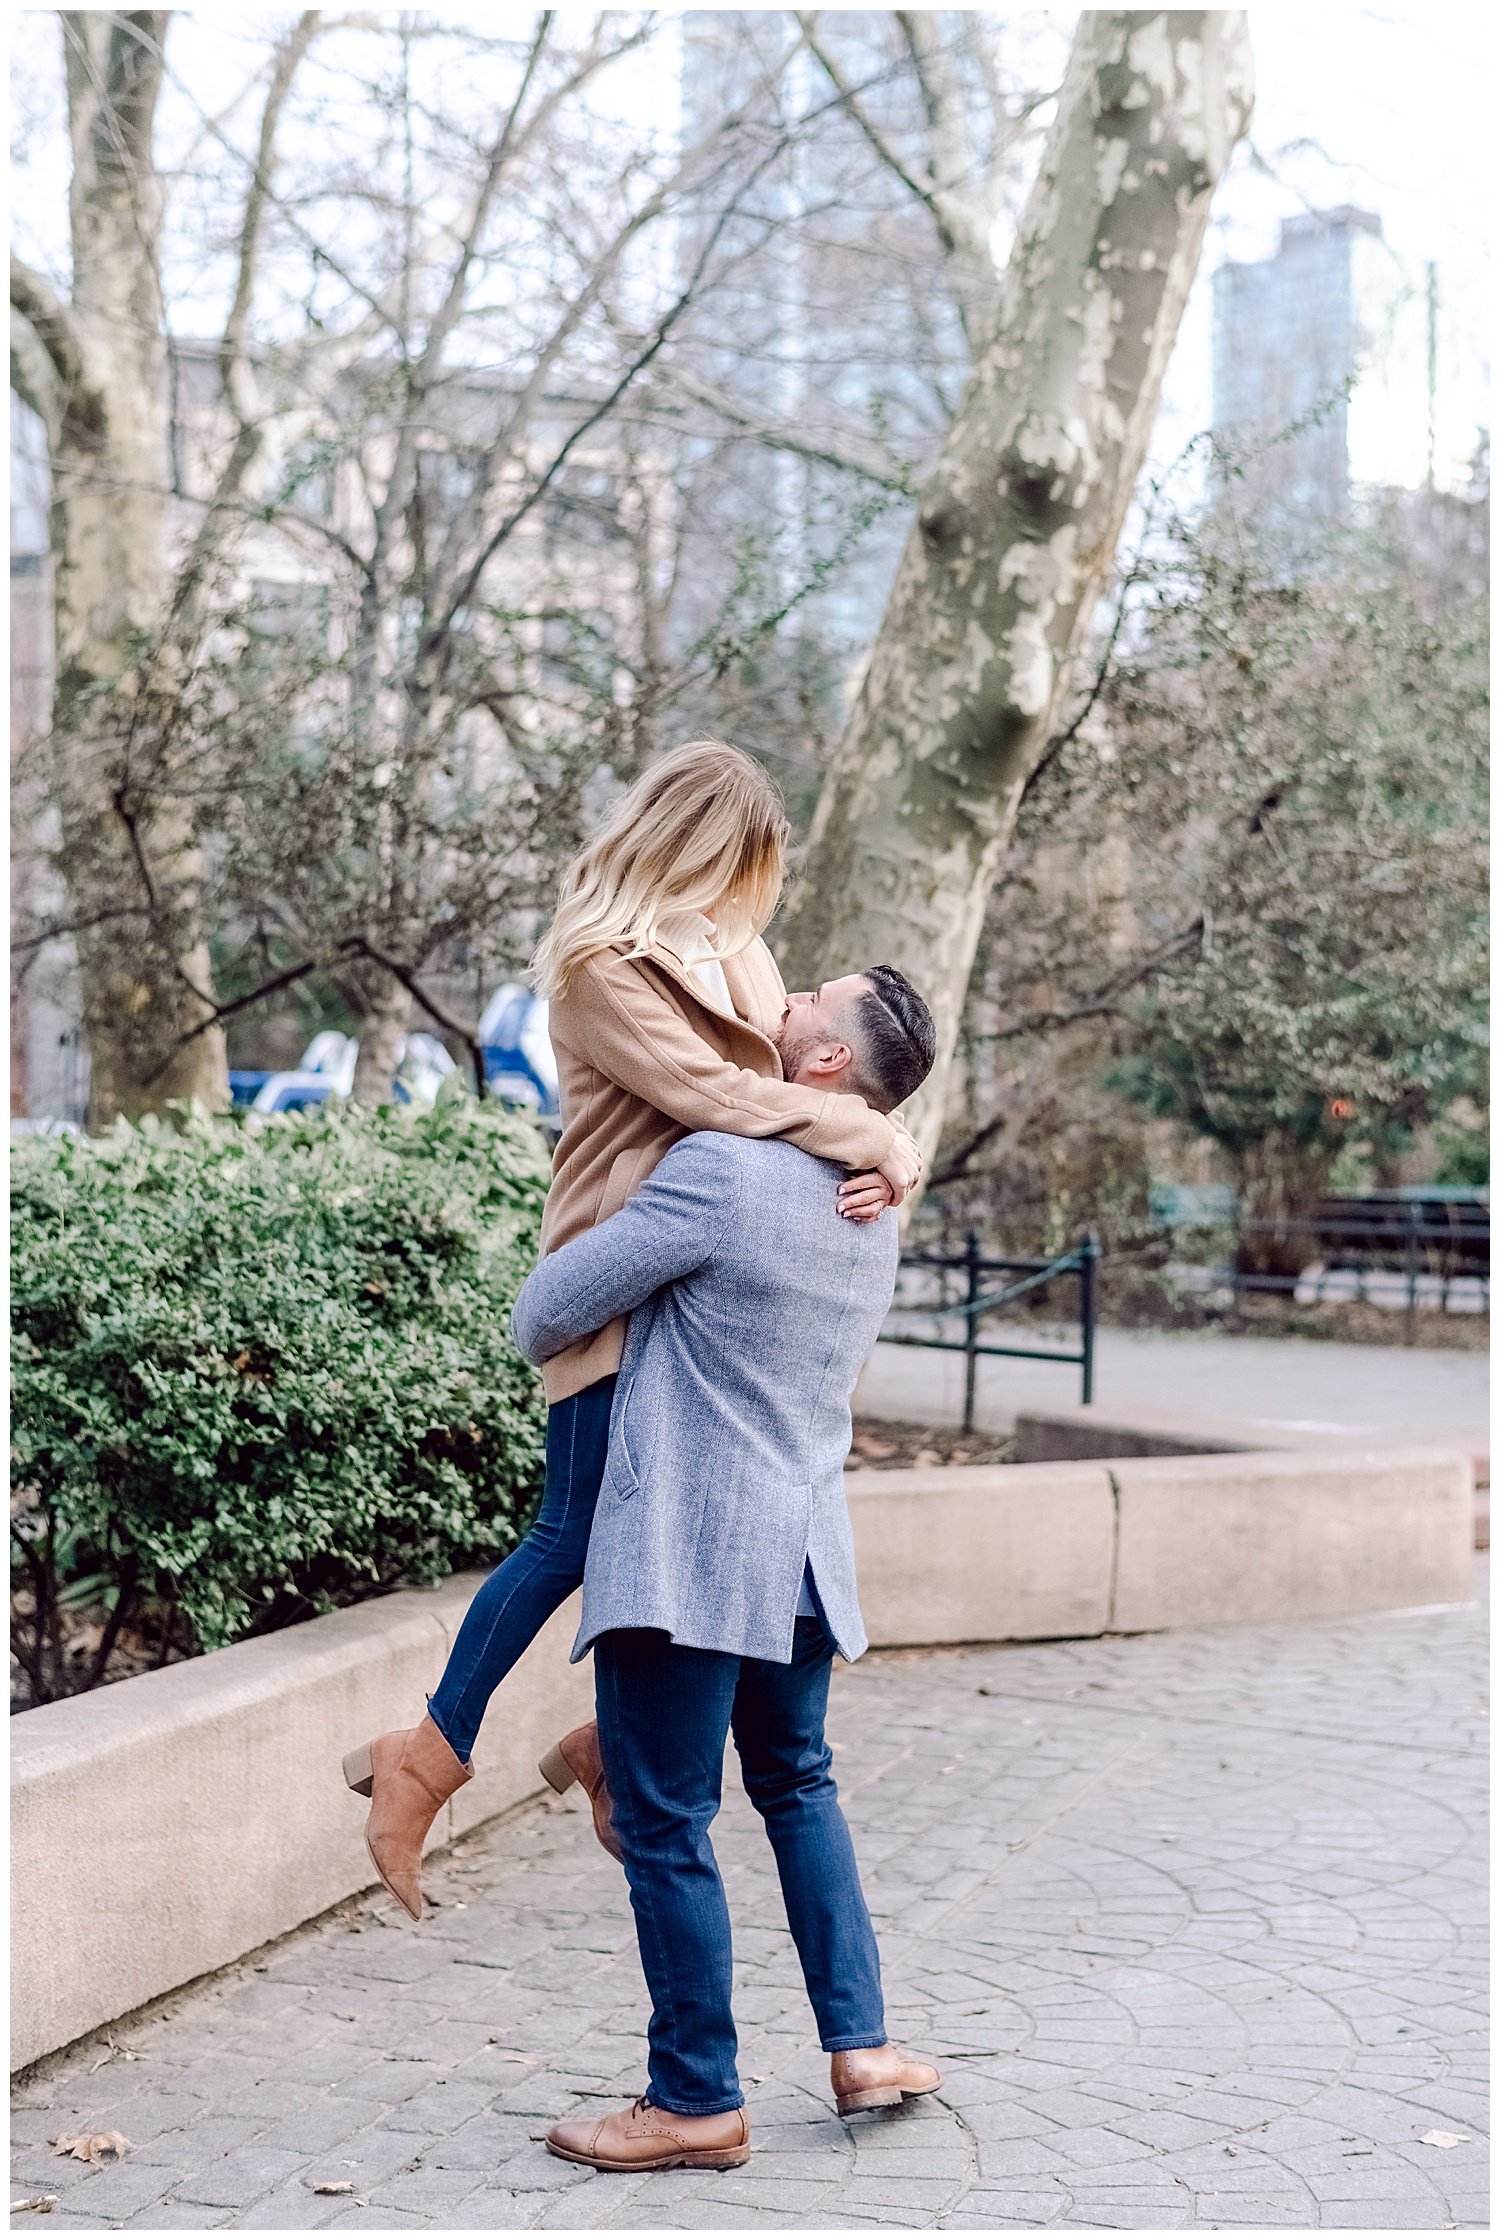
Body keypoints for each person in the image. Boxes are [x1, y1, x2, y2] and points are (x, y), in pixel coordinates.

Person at [343, 741, 922, 1919]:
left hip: (702, 1290)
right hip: (617, 1270)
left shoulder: (739, 948)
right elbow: (717, 1103)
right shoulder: (598, 966)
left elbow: (816, 1068)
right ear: (694, 843)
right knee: (572, 1529)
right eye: (742, 863)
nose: (754, 897)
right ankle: (430, 1750)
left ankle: (605, 1745)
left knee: (644, 1542)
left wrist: (892, 1141)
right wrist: (865, 1134)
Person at [513, 964, 943, 2172]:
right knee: (797, 1782)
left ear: (822, 1066)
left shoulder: (717, 1170)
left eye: (810, 996)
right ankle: (860, 2045)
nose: (789, 992)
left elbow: (545, 1310)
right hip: (805, 1550)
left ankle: (694, 2096)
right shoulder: (874, 1200)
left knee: (664, 1816)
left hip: (691, 1549)